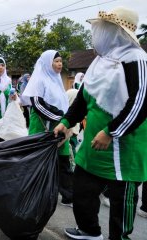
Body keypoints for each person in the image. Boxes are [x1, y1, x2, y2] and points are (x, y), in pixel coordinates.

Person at [54, 7, 147, 240]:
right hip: (93, 145)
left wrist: (111, 132)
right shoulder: (99, 62)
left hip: (122, 148)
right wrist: (66, 122)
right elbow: (84, 98)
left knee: (121, 201)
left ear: (116, 32)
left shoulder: (137, 60)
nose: (97, 34)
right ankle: (89, 231)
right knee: (83, 190)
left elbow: (142, 103)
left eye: (102, 29)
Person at [22, 50, 73, 207]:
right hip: (42, 128)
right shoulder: (39, 80)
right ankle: (30, 192)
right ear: (47, 63)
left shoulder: (57, 80)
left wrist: (65, 120)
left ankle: (68, 195)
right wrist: (59, 117)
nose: (59, 64)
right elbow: (37, 105)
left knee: (63, 160)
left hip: (59, 127)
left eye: (60, 61)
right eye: (56, 61)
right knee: (39, 162)